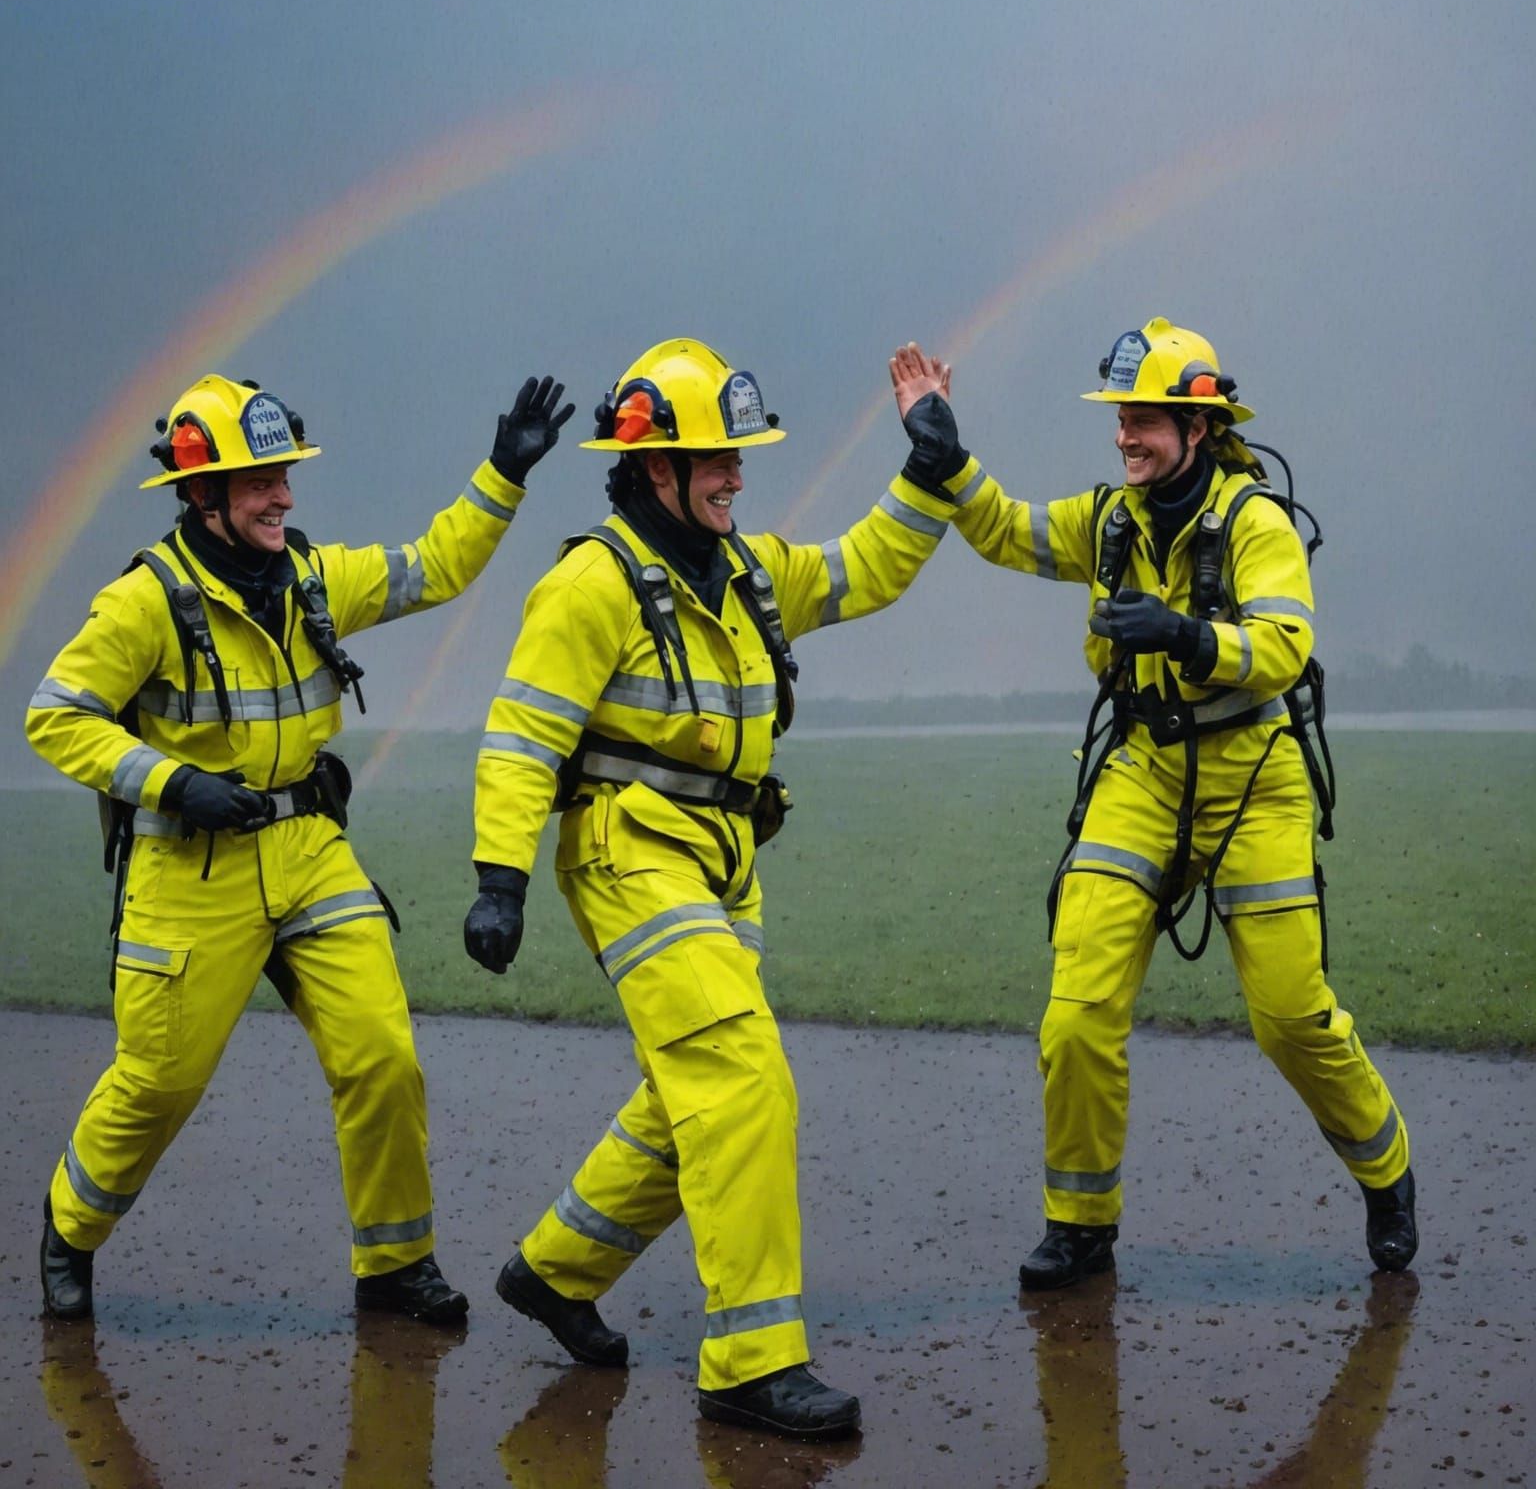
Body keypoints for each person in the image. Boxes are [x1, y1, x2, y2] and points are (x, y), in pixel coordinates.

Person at [464, 337, 969, 1441]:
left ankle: (555, 1271)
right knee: (743, 1080)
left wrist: (928, 470)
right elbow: (518, 741)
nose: (736, 471)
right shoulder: (588, 582)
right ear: (655, 470)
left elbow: (860, 569)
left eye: (739, 453)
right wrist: (498, 879)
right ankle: (749, 1363)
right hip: (627, 851)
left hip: (723, 860)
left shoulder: (744, 570)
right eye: (715, 457)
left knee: (684, 1090)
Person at [29, 368, 574, 1324]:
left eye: (284, 477)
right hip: (190, 871)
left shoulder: (314, 578)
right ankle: (68, 1228)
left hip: (311, 849)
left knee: (383, 1058)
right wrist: (171, 780)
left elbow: (433, 567)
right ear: (201, 495)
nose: (282, 495)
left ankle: (396, 1265)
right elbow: (55, 714)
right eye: (258, 482)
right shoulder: (144, 602)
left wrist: (503, 472)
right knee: (158, 1084)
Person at [888, 321, 1417, 1289]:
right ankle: (1082, 1228)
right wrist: (944, 451)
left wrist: (1183, 632)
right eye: (1121, 417)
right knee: (1077, 1013)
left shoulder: (1256, 522)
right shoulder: (1109, 520)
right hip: (1141, 772)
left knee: (1291, 1017)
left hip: (1254, 778)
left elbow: (1285, 645)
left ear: (1200, 427)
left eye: (1145, 420)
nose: (1127, 435)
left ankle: (1386, 1174)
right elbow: (1007, 528)